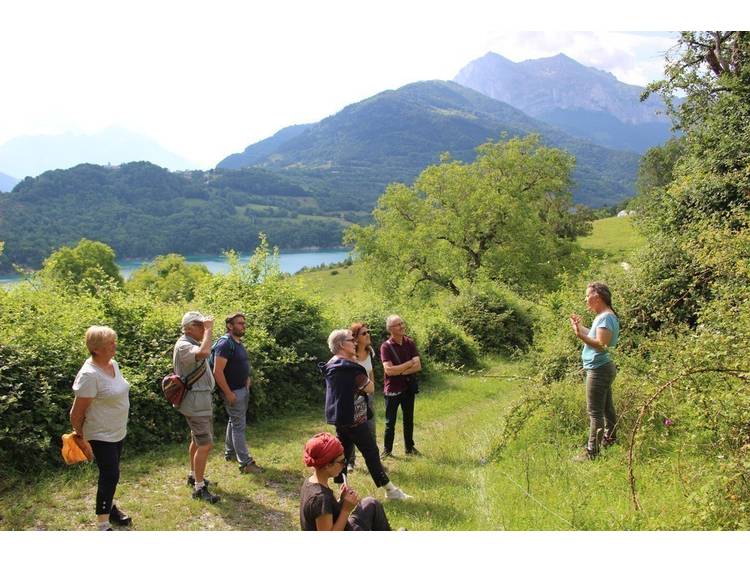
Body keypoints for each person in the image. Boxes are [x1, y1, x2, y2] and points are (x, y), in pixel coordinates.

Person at [320, 329, 412, 500]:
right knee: (371, 453)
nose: (354, 342)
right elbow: (370, 388)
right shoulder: (349, 367)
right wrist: (357, 367)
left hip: (340, 419)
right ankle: (391, 491)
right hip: (355, 420)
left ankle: (342, 491)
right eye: (350, 340)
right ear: (341, 345)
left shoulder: (331, 363)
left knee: (343, 455)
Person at [70, 326, 131, 531]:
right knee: (110, 474)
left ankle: (110, 506)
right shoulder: (89, 375)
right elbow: (76, 414)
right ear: (96, 349)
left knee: (112, 472)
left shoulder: (112, 363)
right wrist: (81, 436)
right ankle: (103, 524)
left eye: (114, 341)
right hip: (99, 433)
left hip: (117, 430)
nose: (115, 345)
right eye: (110, 343)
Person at [300, 432, 392, 531]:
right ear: (327, 465)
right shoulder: (320, 498)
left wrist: (341, 500)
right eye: (341, 461)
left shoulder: (310, 481)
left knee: (371, 504)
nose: (344, 465)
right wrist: (345, 510)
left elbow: (328, 512)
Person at [570, 282, 620, 460]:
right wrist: (580, 328)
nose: (585, 299)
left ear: (597, 297)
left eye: (587, 296)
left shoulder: (605, 317)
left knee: (595, 412)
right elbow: (595, 336)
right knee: (607, 408)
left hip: (599, 370)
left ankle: (592, 452)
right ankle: (611, 439)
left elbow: (601, 345)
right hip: (603, 368)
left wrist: (580, 336)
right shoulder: (604, 317)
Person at [173, 311, 220, 503]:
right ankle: (199, 488)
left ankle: (194, 475)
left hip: (199, 402)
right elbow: (204, 352)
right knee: (205, 444)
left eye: (204, 325)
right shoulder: (184, 345)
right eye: (200, 325)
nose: (203, 328)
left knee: (196, 440)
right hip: (195, 403)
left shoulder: (190, 343)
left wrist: (206, 331)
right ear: (189, 327)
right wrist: (209, 330)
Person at [212, 312, 264, 474]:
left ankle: (230, 453)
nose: (243, 326)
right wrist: (228, 393)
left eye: (244, 323)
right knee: (238, 426)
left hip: (241, 389)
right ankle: (245, 463)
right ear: (230, 326)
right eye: (240, 323)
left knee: (234, 422)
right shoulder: (225, 344)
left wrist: (246, 378)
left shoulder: (237, 343)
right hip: (233, 392)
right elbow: (217, 371)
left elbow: (239, 364)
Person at [380, 315, 422, 459]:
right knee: (390, 422)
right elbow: (389, 371)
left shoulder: (409, 342)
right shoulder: (385, 346)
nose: (402, 326)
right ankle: (387, 450)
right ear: (391, 329)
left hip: (407, 388)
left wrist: (401, 370)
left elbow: (418, 365)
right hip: (392, 390)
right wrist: (408, 364)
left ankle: (409, 448)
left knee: (408, 419)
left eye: (402, 323)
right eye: (398, 325)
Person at [347, 322, 377, 472]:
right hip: (353, 399)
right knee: (351, 430)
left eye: (368, 332)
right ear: (356, 338)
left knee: (371, 428)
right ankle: (350, 462)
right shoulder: (350, 356)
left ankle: (374, 461)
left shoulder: (370, 351)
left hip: (368, 396)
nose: (368, 335)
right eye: (364, 333)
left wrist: (372, 390)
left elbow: (371, 373)